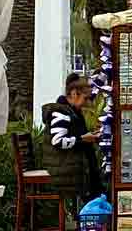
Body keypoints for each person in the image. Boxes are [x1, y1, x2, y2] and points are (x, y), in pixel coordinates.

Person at [43, 73, 105, 221]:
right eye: (85, 98)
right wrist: (82, 139)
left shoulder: (73, 112)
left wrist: (88, 137)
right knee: (92, 182)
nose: (86, 102)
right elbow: (58, 141)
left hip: (72, 163)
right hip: (66, 167)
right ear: (74, 94)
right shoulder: (61, 113)